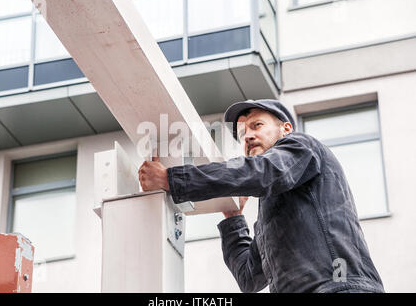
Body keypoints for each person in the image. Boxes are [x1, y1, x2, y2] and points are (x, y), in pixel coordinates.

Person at [138, 99, 385, 293]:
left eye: (257, 125)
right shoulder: (271, 211)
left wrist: (172, 179)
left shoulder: (302, 146)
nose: (247, 136)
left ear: (285, 128)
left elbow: (262, 172)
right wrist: (233, 218)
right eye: (243, 132)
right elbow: (249, 279)